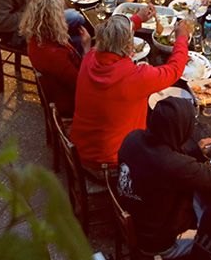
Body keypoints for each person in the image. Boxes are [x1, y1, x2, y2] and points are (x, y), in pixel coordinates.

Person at [117, 96, 211, 258]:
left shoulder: (133, 137)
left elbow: (161, 167)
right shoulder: (171, 165)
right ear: (180, 130)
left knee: (205, 198)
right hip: (161, 242)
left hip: (139, 218)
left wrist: (195, 152)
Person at [70, 13, 191, 170]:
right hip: (109, 163)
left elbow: (111, 36)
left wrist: (137, 19)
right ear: (128, 46)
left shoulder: (91, 56)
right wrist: (182, 38)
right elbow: (174, 70)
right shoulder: (134, 77)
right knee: (172, 150)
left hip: (81, 147)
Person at [19, 0, 91, 116]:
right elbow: (81, 86)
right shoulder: (53, 56)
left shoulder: (36, 36)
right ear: (53, 19)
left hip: (61, 86)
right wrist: (86, 50)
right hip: (71, 102)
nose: (64, 16)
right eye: (61, 14)